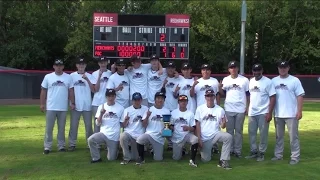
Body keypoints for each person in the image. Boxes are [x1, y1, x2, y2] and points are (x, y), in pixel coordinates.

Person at [271, 60, 305, 165]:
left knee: (293, 137)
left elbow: (300, 96)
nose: (282, 69)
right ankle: (278, 155)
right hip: (278, 114)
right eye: (281, 67)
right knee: (278, 137)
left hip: (291, 114)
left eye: (284, 67)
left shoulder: (294, 80)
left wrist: (299, 111)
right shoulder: (273, 81)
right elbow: (271, 97)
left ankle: (295, 157)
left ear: (288, 68)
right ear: (278, 68)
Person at [40, 59, 75, 154]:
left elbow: (71, 91)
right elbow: (43, 91)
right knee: (49, 128)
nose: (59, 67)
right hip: (51, 106)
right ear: (54, 66)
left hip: (63, 107)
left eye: (60, 65)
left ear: (63, 67)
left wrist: (72, 102)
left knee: (61, 128)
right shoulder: (48, 77)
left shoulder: (68, 77)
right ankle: (47, 146)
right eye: (57, 65)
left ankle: (61, 146)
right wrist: (42, 104)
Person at [245, 63, 276, 161]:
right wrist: (248, 107)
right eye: (254, 70)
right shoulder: (251, 81)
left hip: (263, 111)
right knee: (252, 133)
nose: (256, 72)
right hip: (252, 112)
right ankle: (253, 151)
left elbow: (273, 97)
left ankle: (261, 152)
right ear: (252, 71)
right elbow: (250, 95)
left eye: (258, 70)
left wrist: (270, 112)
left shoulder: (268, 82)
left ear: (262, 70)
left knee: (263, 133)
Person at [195, 90, 232, 170]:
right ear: (205, 97)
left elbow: (222, 127)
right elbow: (197, 125)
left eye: (211, 95)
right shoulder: (200, 108)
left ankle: (223, 160)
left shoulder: (220, 109)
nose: (210, 97)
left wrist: (224, 123)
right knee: (205, 160)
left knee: (228, 137)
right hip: (205, 137)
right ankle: (205, 149)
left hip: (215, 134)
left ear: (214, 97)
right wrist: (199, 138)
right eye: (208, 96)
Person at [219, 61, 249, 158]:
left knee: (239, 131)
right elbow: (222, 94)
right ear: (229, 69)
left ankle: (237, 151)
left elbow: (248, 94)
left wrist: (248, 106)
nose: (233, 69)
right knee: (229, 131)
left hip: (240, 108)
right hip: (229, 108)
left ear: (237, 68)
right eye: (231, 67)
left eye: (235, 67)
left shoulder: (244, 80)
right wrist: (219, 88)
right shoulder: (226, 79)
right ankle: (230, 149)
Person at [88, 89, 124, 163]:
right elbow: (98, 123)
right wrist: (101, 114)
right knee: (91, 139)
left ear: (115, 97)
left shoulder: (120, 108)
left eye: (112, 96)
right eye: (109, 96)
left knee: (111, 158)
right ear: (106, 97)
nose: (110, 98)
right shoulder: (101, 107)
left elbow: (122, 124)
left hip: (114, 136)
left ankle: (116, 149)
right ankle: (96, 158)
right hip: (103, 133)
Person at [136, 92, 170, 164]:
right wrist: (147, 116)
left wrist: (166, 131)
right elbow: (144, 125)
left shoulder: (167, 111)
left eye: (162, 99)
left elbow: (167, 126)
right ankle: (141, 158)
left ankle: (153, 150)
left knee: (158, 159)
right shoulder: (149, 110)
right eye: (158, 98)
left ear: (164, 100)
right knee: (139, 140)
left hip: (159, 137)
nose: (160, 100)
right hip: (150, 134)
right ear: (155, 100)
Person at [68, 58, 95, 151]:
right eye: (79, 64)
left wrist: (87, 79)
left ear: (85, 65)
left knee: (88, 126)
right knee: (74, 125)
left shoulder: (90, 76)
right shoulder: (72, 76)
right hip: (76, 105)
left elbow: (93, 89)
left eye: (83, 64)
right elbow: (70, 90)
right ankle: (72, 144)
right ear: (76, 65)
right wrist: (72, 102)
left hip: (87, 104)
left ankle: (90, 143)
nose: (81, 66)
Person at [119, 92, 148, 165]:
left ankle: (138, 153)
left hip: (139, 134)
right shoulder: (127, 110)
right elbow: (123, 126)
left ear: (141, 100)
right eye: (135, 100)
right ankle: (126, 158)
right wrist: (126, 120)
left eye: (138, 100)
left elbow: (145, 125)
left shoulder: (145, 109)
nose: (137, 102)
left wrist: (145, 118)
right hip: (129, 132)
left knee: (135, 157)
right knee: (122, 136)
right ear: (132, 101)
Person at [170, 95, 198, 167]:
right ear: (178, 102)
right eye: (181, 101)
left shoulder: (190, 114)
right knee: (176, 158)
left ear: (187, 102)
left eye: (185, 101)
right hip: (177, 136)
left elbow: (194, 128)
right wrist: (170, 128)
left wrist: (188, 128)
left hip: (186, 135)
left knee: (195, 139)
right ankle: (182, 151)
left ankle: (192, 160)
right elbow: (171, 125)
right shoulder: (173, 113)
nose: (183, 103)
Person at [91, 57, 113, 133]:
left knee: (107, 122)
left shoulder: (110, 73)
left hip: (107, 102)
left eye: (104, 62)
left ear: (107, 63)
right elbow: (95, 89)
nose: (103, 64)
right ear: (98, 63)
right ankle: (96, 143)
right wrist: (99, 76)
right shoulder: (94, 73)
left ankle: (106, 141)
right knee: (97, 123)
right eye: (101, 62)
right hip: (97, 102)